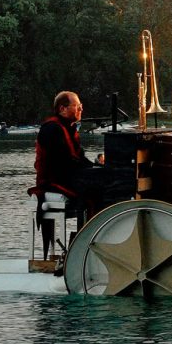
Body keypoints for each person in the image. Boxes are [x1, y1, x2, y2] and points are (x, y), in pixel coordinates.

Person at [33, 91, 103, 258]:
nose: (80, 109)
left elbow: (79, 158)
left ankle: (93, 242)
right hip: (53, 180)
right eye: (77, 106)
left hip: (67, 175)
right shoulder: (51, 129)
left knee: (103, 184)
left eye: (81, 106)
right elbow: (62, 163)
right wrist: (90, 172)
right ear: (63, 109)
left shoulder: (68, 128)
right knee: (94, 192)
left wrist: (97, 167)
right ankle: (82, 248)